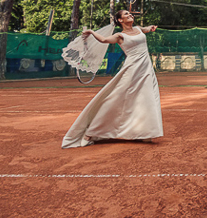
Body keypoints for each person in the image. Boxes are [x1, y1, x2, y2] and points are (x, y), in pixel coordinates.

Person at [62, 10, 163, 148]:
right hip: (132, 69)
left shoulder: (138, 29)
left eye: (130, 14)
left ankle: (145, 132)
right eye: (126, 14)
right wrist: (91, 31)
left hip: (146, 70)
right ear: (120, 20)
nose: (130, 15)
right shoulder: (119, 36)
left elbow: (145, 29)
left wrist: (150, 28)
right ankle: (90, 133)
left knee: (147, 98)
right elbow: (104, 40)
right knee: (116, 98)